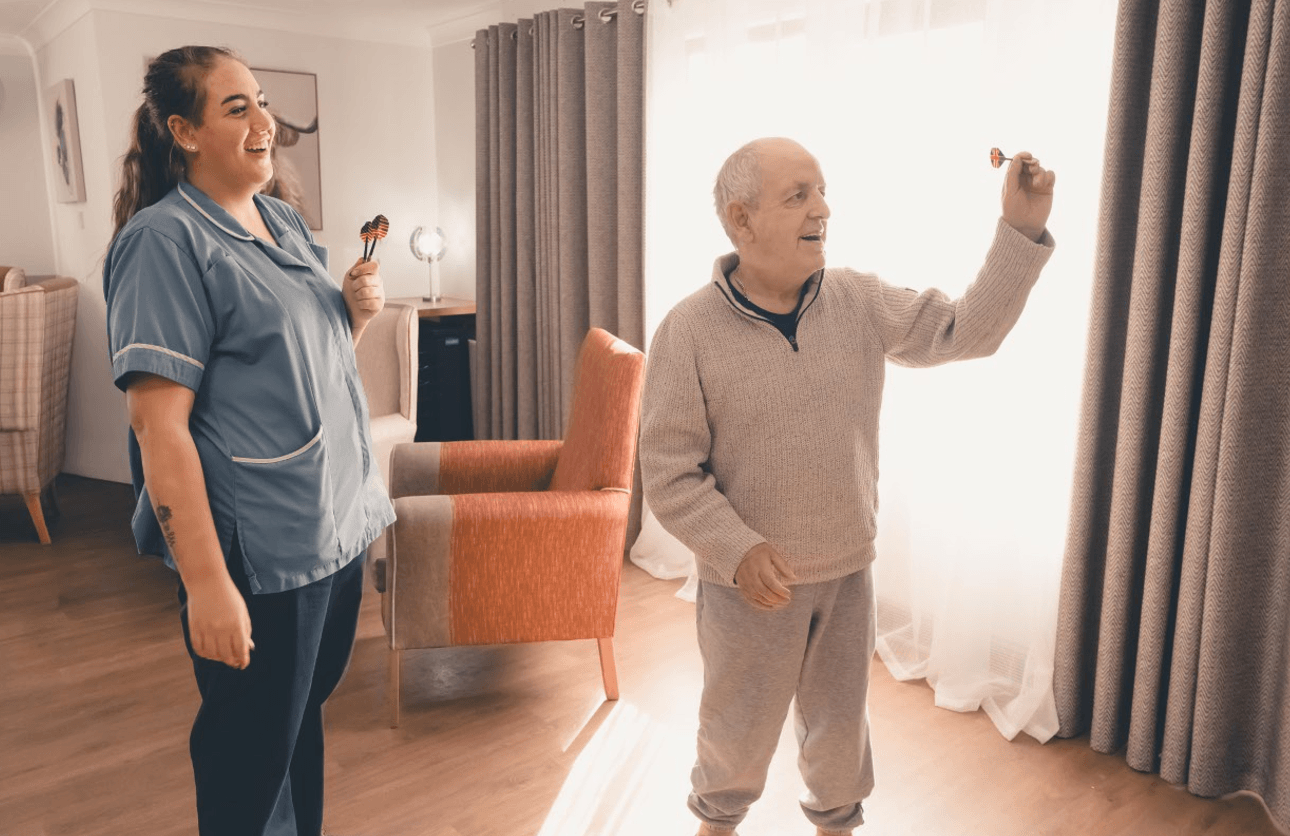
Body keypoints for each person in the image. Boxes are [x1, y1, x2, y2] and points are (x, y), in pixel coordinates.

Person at [638, 137, 1055, 836]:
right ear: (741, 220)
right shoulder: (688, 331)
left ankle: (839, 823)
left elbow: (964, 330)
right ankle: (716, 824)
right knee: (735, 734)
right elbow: (670, 474)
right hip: (747, 589)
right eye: (798, 195)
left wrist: (1019, 229)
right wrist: (736, 549)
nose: (823, 208)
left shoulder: (857, 299)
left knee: (839, 732)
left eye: (822, 191)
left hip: (846, 571)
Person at [103, 45, 394, 836]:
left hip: (335, 528)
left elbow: (310, 373)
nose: (265, 123)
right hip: (262, 552)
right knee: (249, 758)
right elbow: (157, 427)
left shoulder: (282, 220)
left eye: (261, 102)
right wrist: (206, 584)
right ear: (183, 131)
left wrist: (355, 319)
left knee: (296, 732)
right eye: (237, 108)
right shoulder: (163, 244)